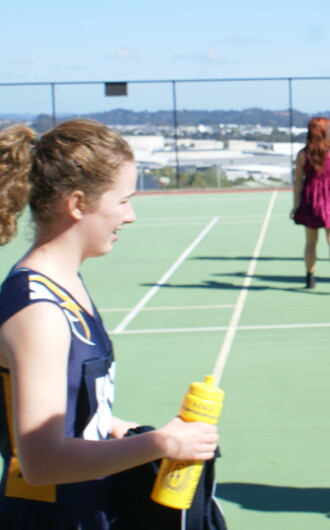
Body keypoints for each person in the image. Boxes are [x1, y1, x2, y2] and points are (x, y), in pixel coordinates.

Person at [0, 119, 219, 528]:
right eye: (123, 201)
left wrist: (121, 429)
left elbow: (70, 411)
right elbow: (41, 463)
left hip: (86, 507)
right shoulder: (39, 313)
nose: (130, 215)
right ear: (78, 203)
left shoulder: (66, 285)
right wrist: (162, 442)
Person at [292, 117, 330, 292]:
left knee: (311, 242)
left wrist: (296, 204)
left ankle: (310, 277)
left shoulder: (303, 154)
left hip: (310, 199)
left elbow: (298, 181)